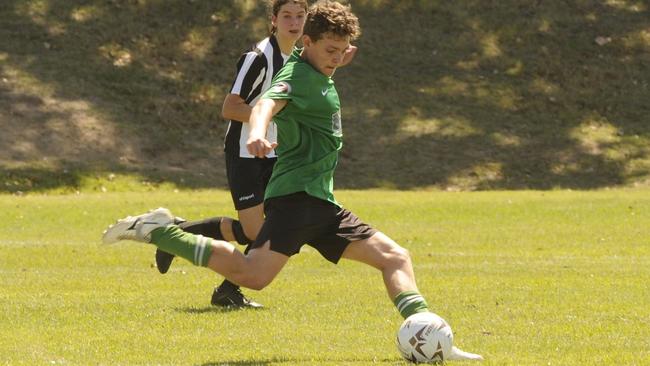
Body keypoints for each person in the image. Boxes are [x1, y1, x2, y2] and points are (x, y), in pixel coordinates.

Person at [103, 0, 481, 361]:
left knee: (395, 257)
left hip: (320, 202)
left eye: (343, 50)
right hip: (297, 200)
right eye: (330, 49)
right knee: (252, 277)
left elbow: (314, 77)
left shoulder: (315, 69)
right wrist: (256, 129)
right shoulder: (296, 75)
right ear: (307, 43)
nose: (336, 57)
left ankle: (430, 336)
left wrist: (334, 60)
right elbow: (269, 101)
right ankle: (161, 231)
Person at [154, 0, 310, 309]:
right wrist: (267, 117)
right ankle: (181, 237)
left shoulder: (299, 57)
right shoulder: (258, 58)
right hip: (245, 153)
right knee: (260, 232)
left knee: (278, 228)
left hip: (277, 154)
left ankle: (218, 279)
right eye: (287, 16)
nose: (294, 22)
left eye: (300, 16)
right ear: (274, 20)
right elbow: (230, 107)